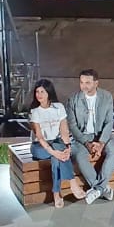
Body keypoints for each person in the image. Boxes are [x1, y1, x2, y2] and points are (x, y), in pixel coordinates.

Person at [68, 69, 114, 203]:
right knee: (79, 156)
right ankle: (102, 188)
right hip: (82, 138)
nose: (84, 86)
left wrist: (101, 143)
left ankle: (98, 189)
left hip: (101, 135)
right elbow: (72, 126)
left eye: (87, 83)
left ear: (96, 83)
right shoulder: (73, 99)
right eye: (81, 82)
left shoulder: (106, 96)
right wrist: (86, 143)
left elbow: (109, 122)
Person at [29, 79, 77, 208]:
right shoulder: (35, 111)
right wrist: (54, 152)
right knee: (56, 154)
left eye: (42, 92)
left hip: (56, 143)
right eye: (37, 92)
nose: (39, 95)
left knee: (57, 158)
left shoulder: (59, 107)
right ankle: (72, 181)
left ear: (49, 92)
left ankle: (56, 192)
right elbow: (39, 137)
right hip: (40, 147)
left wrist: (68, 147)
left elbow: (64, 130)